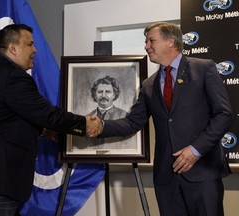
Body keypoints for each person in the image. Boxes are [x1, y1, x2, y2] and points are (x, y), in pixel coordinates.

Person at [0, 24, 102, 216]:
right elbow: (46, 113)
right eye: (30, 44)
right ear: (13, 48)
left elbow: (6, 117)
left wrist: (42, 130)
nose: (35, 50)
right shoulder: (12, 75)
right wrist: (84, 124)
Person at [91, 22, 233, 216]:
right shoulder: (149, 85)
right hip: (167, 178)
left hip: (202, 173)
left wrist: (195, 150)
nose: (146, 46)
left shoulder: (203, 68)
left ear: (171, 42)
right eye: (146, 41)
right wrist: (100, 126)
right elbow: (132, 122)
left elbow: (224, 115)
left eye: (151, 41)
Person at [73, 75, 136, 150]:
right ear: (95, 95)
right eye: (100, 92)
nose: (103, 95)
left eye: (108, 92)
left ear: (114, 94)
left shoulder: (125, 116)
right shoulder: (88, 117)